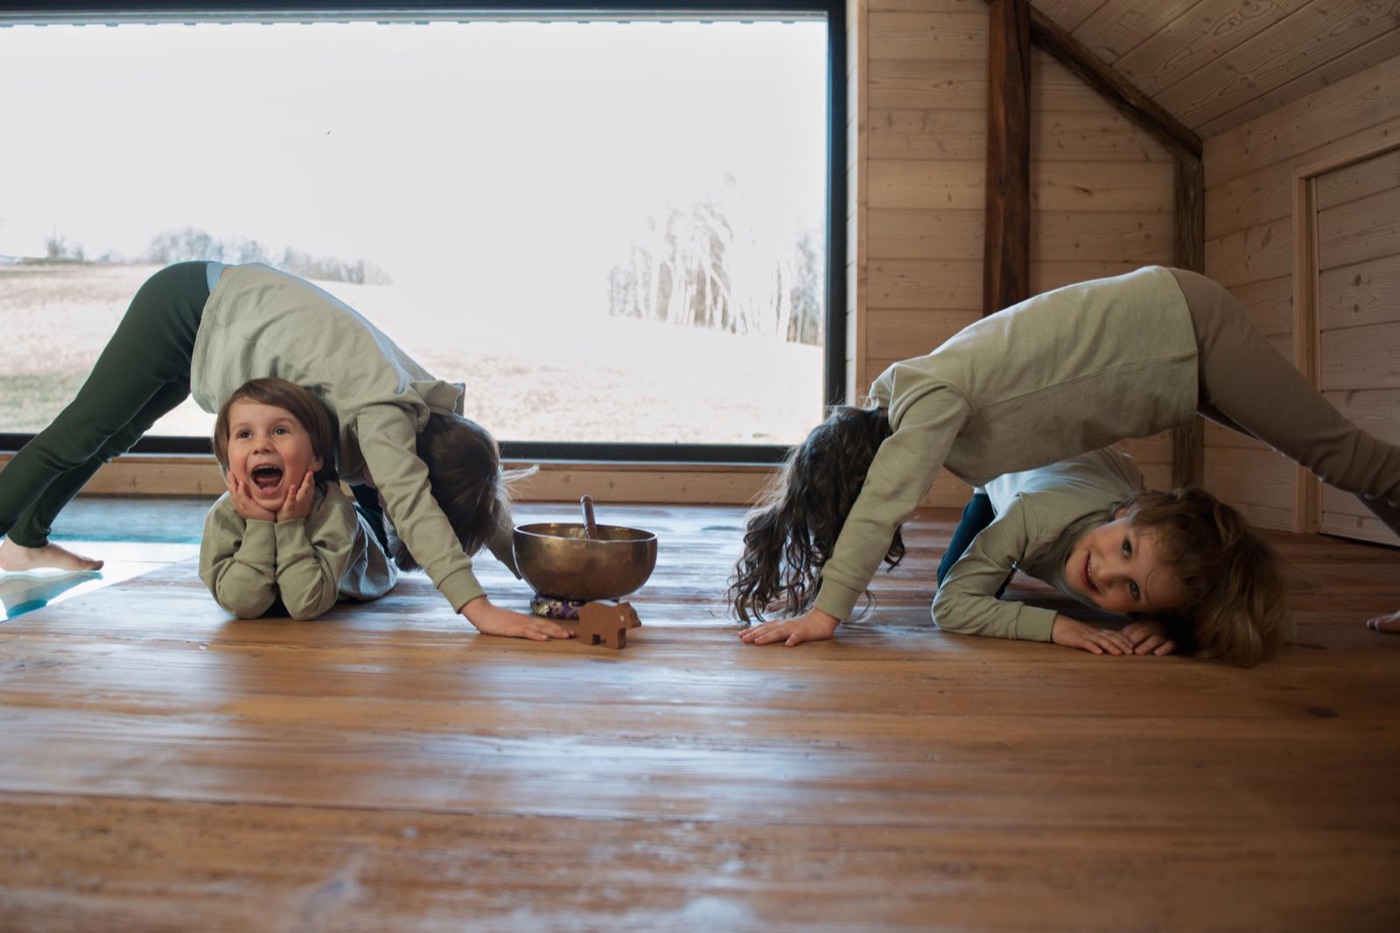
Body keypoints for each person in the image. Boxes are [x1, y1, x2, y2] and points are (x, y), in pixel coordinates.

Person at [732, 266, 1400, 650]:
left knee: (1343, 456)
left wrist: (828, 611)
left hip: (1185, 327)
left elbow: (886, 500)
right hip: (1176, 351)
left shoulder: (926, 398)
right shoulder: (918, 395)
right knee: (1337, 458)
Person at [0, 261, 571, 641]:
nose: (396, 515)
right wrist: (480, 610)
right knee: (80, 433)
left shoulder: (440, 424)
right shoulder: (386, 418)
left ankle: (25, 540)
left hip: (215, 319)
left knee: (114, 436)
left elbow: (480, 492)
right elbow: (418, 504)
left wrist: (537, 577)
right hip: (189, 308)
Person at [928, 448, 1290, 665]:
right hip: (1007, 469)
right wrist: (1056, 627)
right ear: (1126, 512)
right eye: (1126, 548)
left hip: (1104, 470)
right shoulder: (1031, 516)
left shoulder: (1159, 577)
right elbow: (950, 605)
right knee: (954, 578)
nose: (1106, 572)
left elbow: (1243, 619)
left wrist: (1172, 631)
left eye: (1133, 590)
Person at [200, 377, 397, 620]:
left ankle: (370, 481)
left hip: (367, 537)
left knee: (386, 526)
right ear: (227, 459)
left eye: (280, 431)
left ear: (315, 456)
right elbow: (242, 604)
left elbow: (305, 604)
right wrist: (260, 524)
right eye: (245, 434)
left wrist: (290, 525)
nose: (261, 445)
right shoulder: (223, 516)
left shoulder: (333, 511)